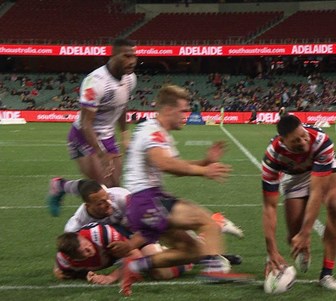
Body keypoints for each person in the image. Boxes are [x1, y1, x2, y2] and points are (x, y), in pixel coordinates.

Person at [115, 85, 252, 296]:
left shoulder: (157, 132)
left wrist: (205, 162)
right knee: (208, 222)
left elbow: (175, 166)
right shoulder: (154, 132)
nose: (185, 116)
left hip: (143, 204)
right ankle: (214, 271)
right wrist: (203, 171)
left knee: (193, 251)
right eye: (182, 110)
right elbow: (165, 164)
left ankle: (134, 266)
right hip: (147, 200)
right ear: (168, 110)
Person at [46, 39, 138, 215]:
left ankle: (112, 227)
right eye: (127, 56)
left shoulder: (130, 79)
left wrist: (125, 134)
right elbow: (86, 123)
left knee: (115, 187)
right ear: (113, 56)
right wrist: (101, 153)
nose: (132, 60)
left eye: (134, 56)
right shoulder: (95, 81)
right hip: (84, 135)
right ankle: (60, 186)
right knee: (100, 189)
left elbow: (122, 105)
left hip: (107, 135)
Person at [261, 115, 336, 291]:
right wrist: (271, 251)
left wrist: (307, 232)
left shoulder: (321, 141)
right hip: (294, 177)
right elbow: (269, 207)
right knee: (294, 236)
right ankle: (299, 248)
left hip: (321, 169)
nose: (304, 141)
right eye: (296, 141)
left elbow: (317, 192)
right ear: (283, 141)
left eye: (304, 135)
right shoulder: (273, 156)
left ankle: (327, 274)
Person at [59, 178, 244, 238]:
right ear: (87, 205)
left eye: (106, 198)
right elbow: (67, 241)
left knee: (167, 224)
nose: (107, 203)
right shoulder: (78, 221)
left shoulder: (120, 197)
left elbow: (141, 218)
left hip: (138, 213)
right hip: (124, 228)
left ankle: (215, 222)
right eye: (100, 203)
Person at [54, 222, 191, 285]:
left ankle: (189, 256)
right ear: (74, 258)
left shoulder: (100, 234)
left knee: (160, 272)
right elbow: (61, 273)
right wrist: (85, 275)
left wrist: (111, 277)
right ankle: (167, 249)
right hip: (117, 254)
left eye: (87, 244)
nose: (90, 248)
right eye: (85, 251)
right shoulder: (64, 260)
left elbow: (136, 256)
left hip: (131, 238)